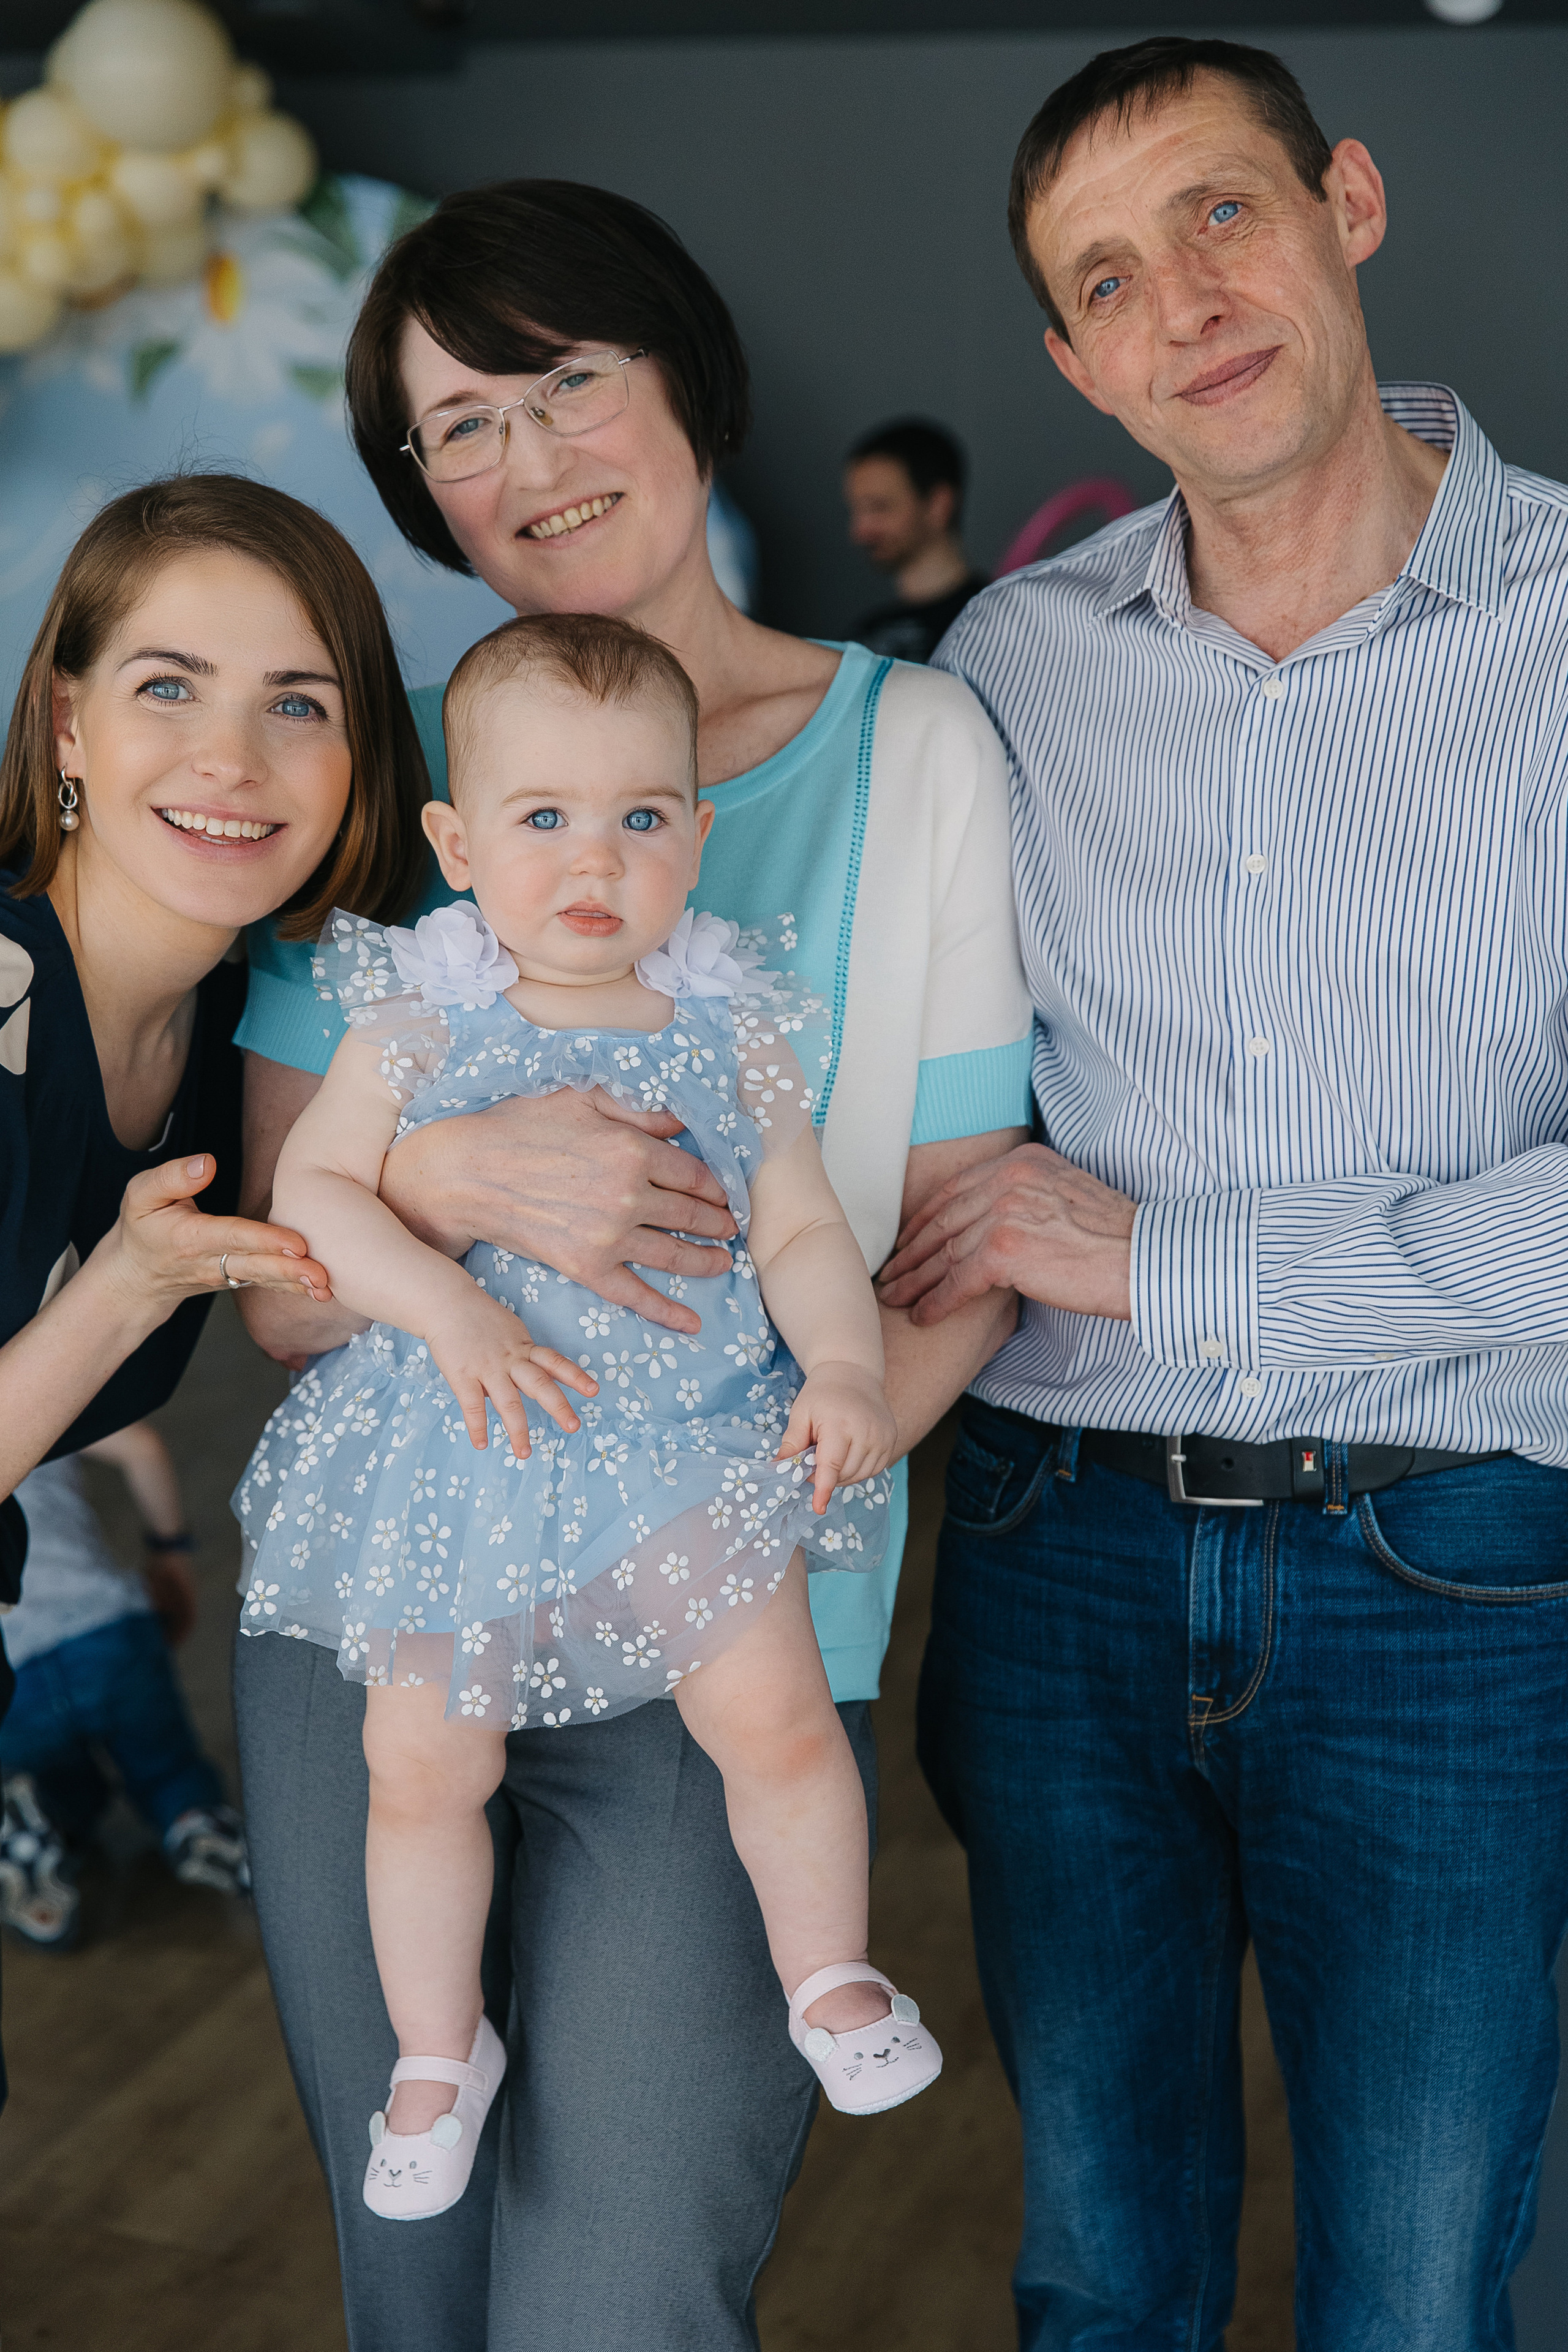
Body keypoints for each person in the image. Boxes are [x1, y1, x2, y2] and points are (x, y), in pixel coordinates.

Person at [232, 179, 1031, 2349]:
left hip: (728, 1590)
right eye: (457, 428)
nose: (527, 459)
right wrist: (469, 1185)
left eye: (567, 380)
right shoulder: (405, 772)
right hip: (407, 1580)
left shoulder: (920, 750)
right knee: (416, 2261)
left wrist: (790, 1474)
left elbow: (957, 1244)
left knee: (622, 2290)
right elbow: (293, 1278)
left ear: (689, 383)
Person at [878, 34, 1568, 2352]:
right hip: (1047, 1562)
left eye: (1217, 213)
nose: (1180, 296)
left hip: (1448, 1572)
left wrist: (1167, 1253)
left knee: (1412, 2297)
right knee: (1096, 2276)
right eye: (1105, 273)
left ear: (1342, 203)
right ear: (1071, 362)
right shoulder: (1005, 672)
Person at [238, 610, 941, 2220]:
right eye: (543, 817)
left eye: (640, 818)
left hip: (683, 1440)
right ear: (456, 841)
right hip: (463, 1442)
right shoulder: (418, 1007)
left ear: (695, 839)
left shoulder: (727, 1019)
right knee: (419, 1761)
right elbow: (321, 1197)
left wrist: (842, 1365)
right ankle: (437, 2052)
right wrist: (446, 1301)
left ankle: (828, 1973)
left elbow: (802, 1230)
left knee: (772, 1719)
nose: (593, 858)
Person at [0, 470, 422, 2108]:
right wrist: (121, 1288)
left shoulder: (242, 1022)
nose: (233, 760)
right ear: (69, 726)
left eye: (296, 705)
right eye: (167, 686)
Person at [0, 1421, 248, 1952]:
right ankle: (196, 1822)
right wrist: (171, 1553)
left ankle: (35, 1831)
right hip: (107, 1630)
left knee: (63, 1792)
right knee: (166, 1766)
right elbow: (143, 1447)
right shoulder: (30, 1373)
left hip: (10, 1673)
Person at [844, 418, 989, 662]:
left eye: (879, 507)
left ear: (938, 505)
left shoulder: (992, 618)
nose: (860, 531)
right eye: (856, 511)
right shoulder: (865, 634)